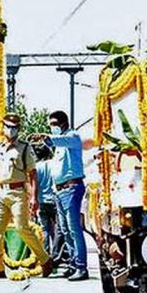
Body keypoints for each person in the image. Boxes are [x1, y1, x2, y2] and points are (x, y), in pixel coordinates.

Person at [0, 113, 53, 279]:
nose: (11, 130)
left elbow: (32, 174)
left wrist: (34, 197)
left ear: (18, 129)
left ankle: (45, 260)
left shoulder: (25, 148)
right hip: (0, 192)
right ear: (2, 128)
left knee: (22, 228)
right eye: (8, 126)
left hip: (18, 193)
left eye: (14, 127)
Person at [34, 110, 88, 281]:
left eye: (55, 123)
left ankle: (81, 266)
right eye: (50, 124)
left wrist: (46, 136)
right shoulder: (58, 148)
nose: (52, 127)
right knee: (65, 230)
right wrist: (46, 141)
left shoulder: (72, 136)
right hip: (59, 191)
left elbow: (60, 140)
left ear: (64, 123)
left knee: (74, 229)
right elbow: (53, 144)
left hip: (71, 189)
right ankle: (73, 264)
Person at [33, 143, 67, 267]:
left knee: (44, 229)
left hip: (41, 201)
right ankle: (56, 256)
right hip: (55, 200)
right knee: (59, 229)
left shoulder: (36, 167)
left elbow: (33, 186)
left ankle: (45, 256)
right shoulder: (54, 164)